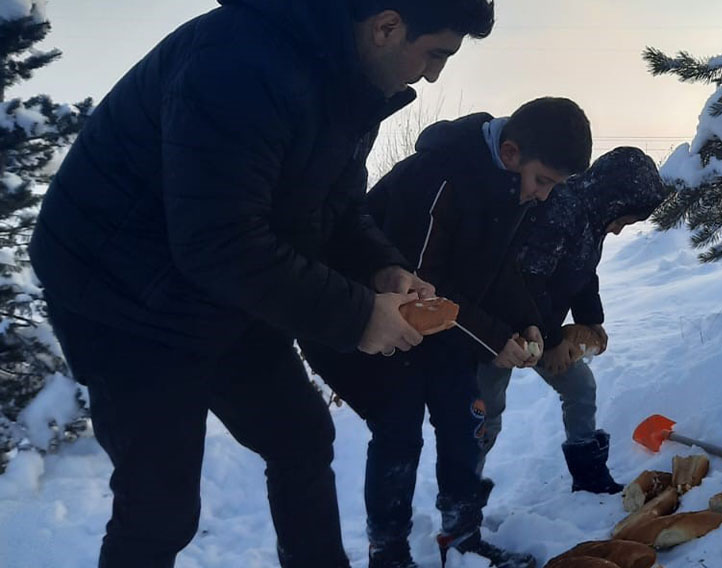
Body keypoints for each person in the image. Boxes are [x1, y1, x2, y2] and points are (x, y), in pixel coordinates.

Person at [28, 1, 495, 566]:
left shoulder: (353, 83)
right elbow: (217, 239)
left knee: (300, 438)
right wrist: (358, 316)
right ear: (387, 26)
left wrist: (382, 268)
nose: (433, 74)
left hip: (223, 281)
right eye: (436, 54)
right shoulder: (237, 61)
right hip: (122, 295)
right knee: (159, 506)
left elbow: (338, 207)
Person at [302, 97, 592, 568]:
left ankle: (463, 533)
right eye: (542, 181)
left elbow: (499, 268)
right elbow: (423, 289)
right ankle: (388, 551)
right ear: (513, 152)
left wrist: (526, 320)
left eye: (553, 187)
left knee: (465, 424)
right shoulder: (440, 176)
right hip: (385, 324)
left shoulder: (514, 185)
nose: (543, 195)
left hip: (445, 330)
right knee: (398, 435)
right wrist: (494, 339)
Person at [476, 147, 668, 494]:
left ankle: (589, 476)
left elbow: (583, 273)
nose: (621, 231)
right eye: (623, 221)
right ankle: (461, 504)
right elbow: (527, 280)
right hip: (497, 328)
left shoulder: (591, 219)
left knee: (580, 387)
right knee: (485, 415)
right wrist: (551, 341)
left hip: (542, 328)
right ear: (613, 201)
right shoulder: (560, 210)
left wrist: (591, 320)